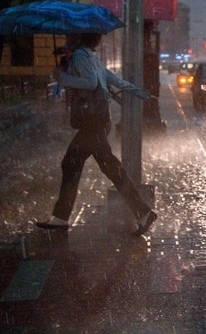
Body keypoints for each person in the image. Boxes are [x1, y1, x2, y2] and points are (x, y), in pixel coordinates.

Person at [35, 33, 157, 235]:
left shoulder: (81, 57)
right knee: (75, 164)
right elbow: (117, 81)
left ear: (78, 39)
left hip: (92, 123)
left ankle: (143, 212)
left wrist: (63, 77)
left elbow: (91, 83)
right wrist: (142, 93)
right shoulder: (93, 58)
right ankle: (61, 217)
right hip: (99, 122)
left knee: (104, 168)